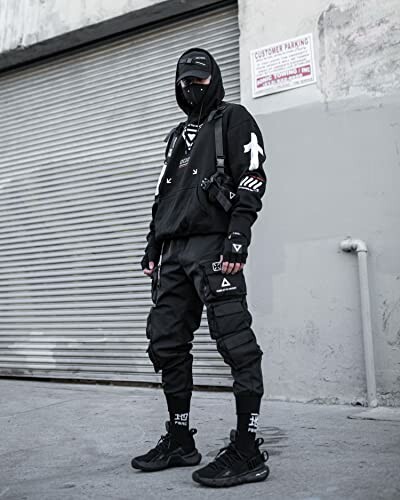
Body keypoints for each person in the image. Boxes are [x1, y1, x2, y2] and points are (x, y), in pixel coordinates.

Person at [131, 48, 269, 487]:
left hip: (214, 247)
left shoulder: (233, 119)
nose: (192, 87)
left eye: (200, 79)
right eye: (185, 80)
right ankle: (179, 438)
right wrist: (154, 245)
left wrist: (238, 235)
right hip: (172, 254)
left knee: (236, 341)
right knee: (166, 341)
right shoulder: (176, 136)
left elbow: (252, 177)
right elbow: (163, 196)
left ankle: (247, 448)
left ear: (215, 80)